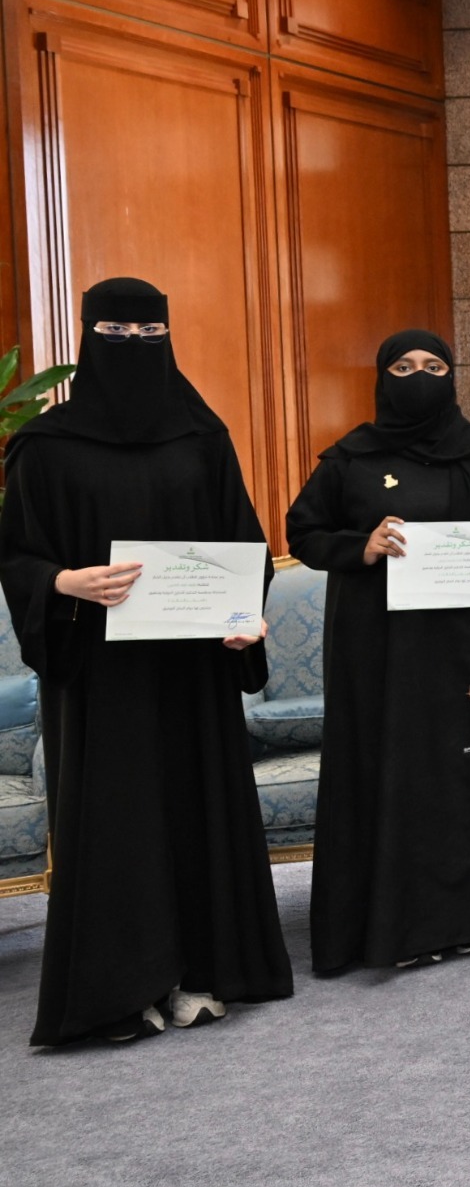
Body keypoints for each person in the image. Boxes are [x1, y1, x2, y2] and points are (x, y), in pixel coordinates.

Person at [0, 277, 288, 1043]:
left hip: (190, 669)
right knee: (116, 820)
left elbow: (242, 542)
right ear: (88, 335)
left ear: (170, 334)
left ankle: (201, 972)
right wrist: (64, 581)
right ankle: (121, 991)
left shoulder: (202, 437)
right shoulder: (46, 445)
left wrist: (243, 617)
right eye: (116, 331)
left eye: (149, 332)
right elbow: (18, 557)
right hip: (100, 674)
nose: (132, 345)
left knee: (197, 810)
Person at [286, 329, 470, 972]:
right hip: (386, 650)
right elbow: (305, 531)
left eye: (433, 365)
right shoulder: (351, 457)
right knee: (400, 770)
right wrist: (361, 547)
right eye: (402, 366)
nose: (419, 376)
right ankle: (403, 927)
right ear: (380, 376)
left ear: (453, 376)